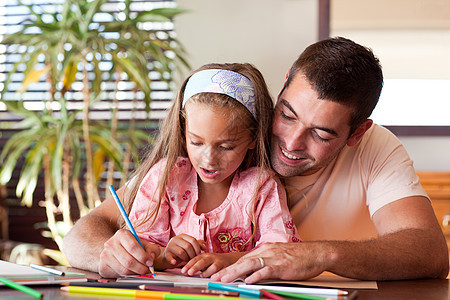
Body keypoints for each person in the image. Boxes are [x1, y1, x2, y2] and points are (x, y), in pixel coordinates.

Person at [211, 37, 449, 283]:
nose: (292, 143)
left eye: (321, 134)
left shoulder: (376, 147)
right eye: (287, 115)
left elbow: (431, 253)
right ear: (284, 84)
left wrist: (320, 254)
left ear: (357, 133)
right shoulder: (236, 130)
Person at [63, 63, 299, 278]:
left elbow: (278, 252)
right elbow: (141, 248)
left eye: (226, 146)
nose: (209, 159)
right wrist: (165, 255)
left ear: (252, 138)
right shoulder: (166, 176)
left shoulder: (261, 186)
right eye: (196, 142)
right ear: (183, 130)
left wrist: (226, 260)